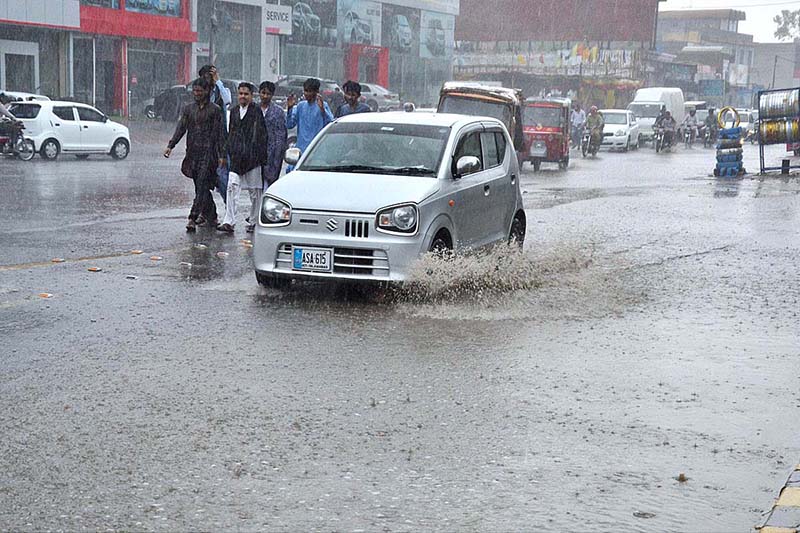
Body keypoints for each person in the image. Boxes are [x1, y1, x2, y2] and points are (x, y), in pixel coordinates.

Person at [164, 78, 226, 232]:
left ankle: (192, 217)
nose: (197, 94)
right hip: (193, 152)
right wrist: (171, 145)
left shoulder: (215, 110)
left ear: (207, 91)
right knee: (200, 186)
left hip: (209, 153)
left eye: (200, 91)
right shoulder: (188, 109)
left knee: (203, 184)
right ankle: (211, 215)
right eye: (195, 91)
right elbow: (181, 128)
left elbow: (220, 134)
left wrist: (221, 155)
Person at [217, 82, 268, 234]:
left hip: (253, 158)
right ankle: (229, 221)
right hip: (236, 156)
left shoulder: (256, 111)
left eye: (246, 94)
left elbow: (261, 135)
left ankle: (253, 220)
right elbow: (231, 133)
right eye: (240, 94)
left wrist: (261, 157)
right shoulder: (233, 112)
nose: (243, 97)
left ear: (252, 96)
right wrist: (225, 153)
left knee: (255, 192)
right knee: (232, 187)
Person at [199, 64, 231, 204]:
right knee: (202, 179)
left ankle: (229, 209)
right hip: (204, 142)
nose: (207, 80)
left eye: (209, 76)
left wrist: (218, 81)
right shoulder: (200, 94)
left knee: (222, 178)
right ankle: (207, 212)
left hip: (220, 142)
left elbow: (227, 100)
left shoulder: (220, 92)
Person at [285, 78, 334, 170]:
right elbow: (290, 124)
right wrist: (290, 109)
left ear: (316, 92)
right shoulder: (300, 106)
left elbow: (331, 123)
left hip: (317, 149)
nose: (306, 94)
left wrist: (323, 110)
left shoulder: (323, 105)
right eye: (305, 91)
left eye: (310, 91)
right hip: (301, 149)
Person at [259, 81, 288, 201]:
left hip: (272, 154)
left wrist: (277, 155)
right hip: (256, 154)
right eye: (263, 93)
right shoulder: (254, 109)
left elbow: (280, 136)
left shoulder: (278, 112)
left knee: (269, 185)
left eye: (268, 94)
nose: (265, 96)